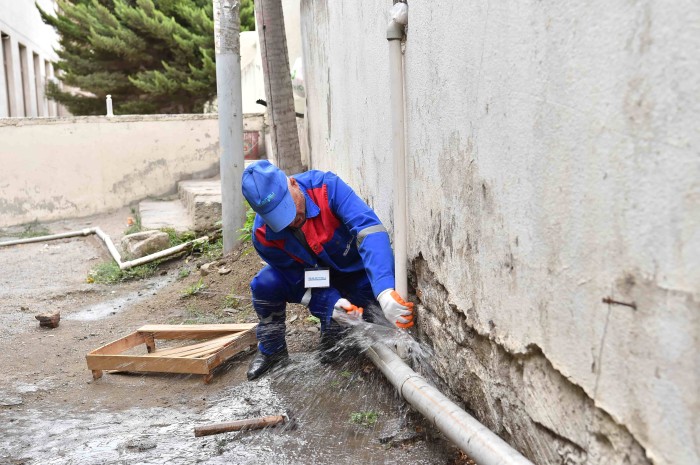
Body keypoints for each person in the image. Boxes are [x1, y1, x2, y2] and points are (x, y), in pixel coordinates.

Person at [241, 160, 414, 380]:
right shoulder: (264, 236)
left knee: (369, 314)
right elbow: (298, 278)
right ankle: (272, 351)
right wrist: (330, 303)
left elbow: (370, 232)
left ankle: (337, 325)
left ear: (293, 183)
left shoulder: (326, 188)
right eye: (278, 217)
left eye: (288, 207)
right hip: (318, 279)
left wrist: (384, 290)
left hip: (356, 276)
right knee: (266, 283)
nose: (292, 221)